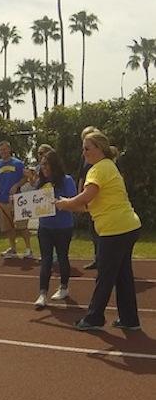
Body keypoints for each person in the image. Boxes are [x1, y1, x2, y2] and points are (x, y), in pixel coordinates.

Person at [55, 130, 142, 331]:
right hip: (127, 226)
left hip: (115, 230)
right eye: (83, 148)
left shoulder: (98, 170)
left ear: (99, 149)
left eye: (87, 148)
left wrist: (66, 203)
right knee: (122, 275)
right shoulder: (108, 166)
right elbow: (87, 206)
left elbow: (85, 197)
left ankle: (94, 317)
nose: (83, 152)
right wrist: (62, 204)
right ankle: (130, 319)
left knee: (105, 275)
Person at [32, 151, 76, 309]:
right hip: (45, 227)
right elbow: (33, 203)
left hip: (63, 227)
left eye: (46, 164)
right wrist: (19, 203)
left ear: (54, 165)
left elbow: (73, 201)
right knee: (46, 260)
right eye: (41, 164)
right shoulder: (40, 182)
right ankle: (42, 294)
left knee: (63, 257)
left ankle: (64, 287)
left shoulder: (67, 180)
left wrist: (58, 202)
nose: (43, 168)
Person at [0, 140, 33, 259]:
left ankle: (28, 249)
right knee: (8, 227)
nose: (3, 152)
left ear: (9, 149)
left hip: (17, 200)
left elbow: (26, 178)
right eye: (0, 150)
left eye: (4, 149)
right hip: (2, 201)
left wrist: (16, 185)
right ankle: (13, 248)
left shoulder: (18, 163)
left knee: (22, 226)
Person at [76, 126, 100, 270]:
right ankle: (97, 258)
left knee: (101, 229)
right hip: (87, 195)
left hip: (98, 196)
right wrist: (79, 195)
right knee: (93, 230)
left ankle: (104, 259)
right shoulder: (84, 157)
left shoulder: (104, 157)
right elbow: (81, 176)